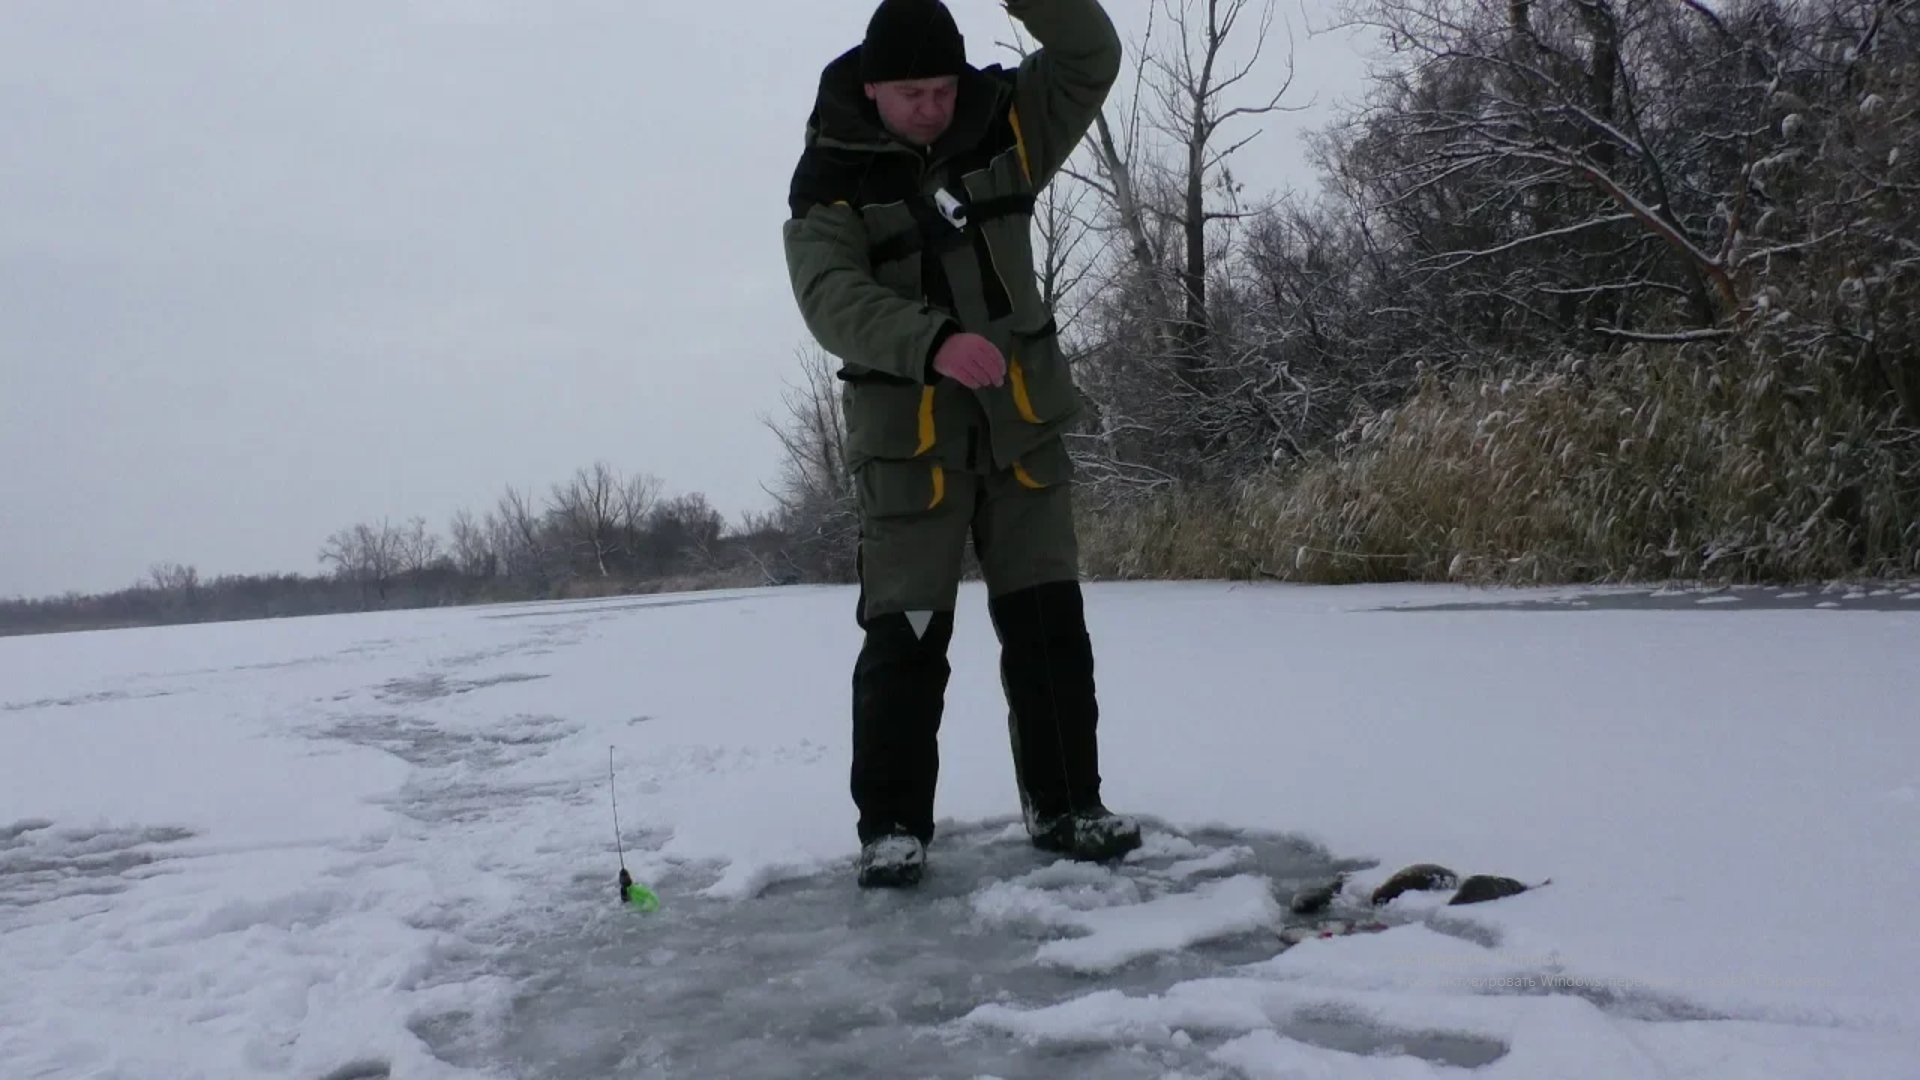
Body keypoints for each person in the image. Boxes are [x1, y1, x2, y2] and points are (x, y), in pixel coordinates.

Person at [783, 0, 1141, 888]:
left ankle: (1067, 808)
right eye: (912, 93)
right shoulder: (828, 173)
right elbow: (830, 296)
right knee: (906, 640)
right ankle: (893, 829)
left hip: (1022, 429)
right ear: (873, 89)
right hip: (912, 452)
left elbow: (1092, 51)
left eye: (942, 88)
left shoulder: (1008, 121)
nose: (934, 108)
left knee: (1050, 628)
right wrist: (933, 342)